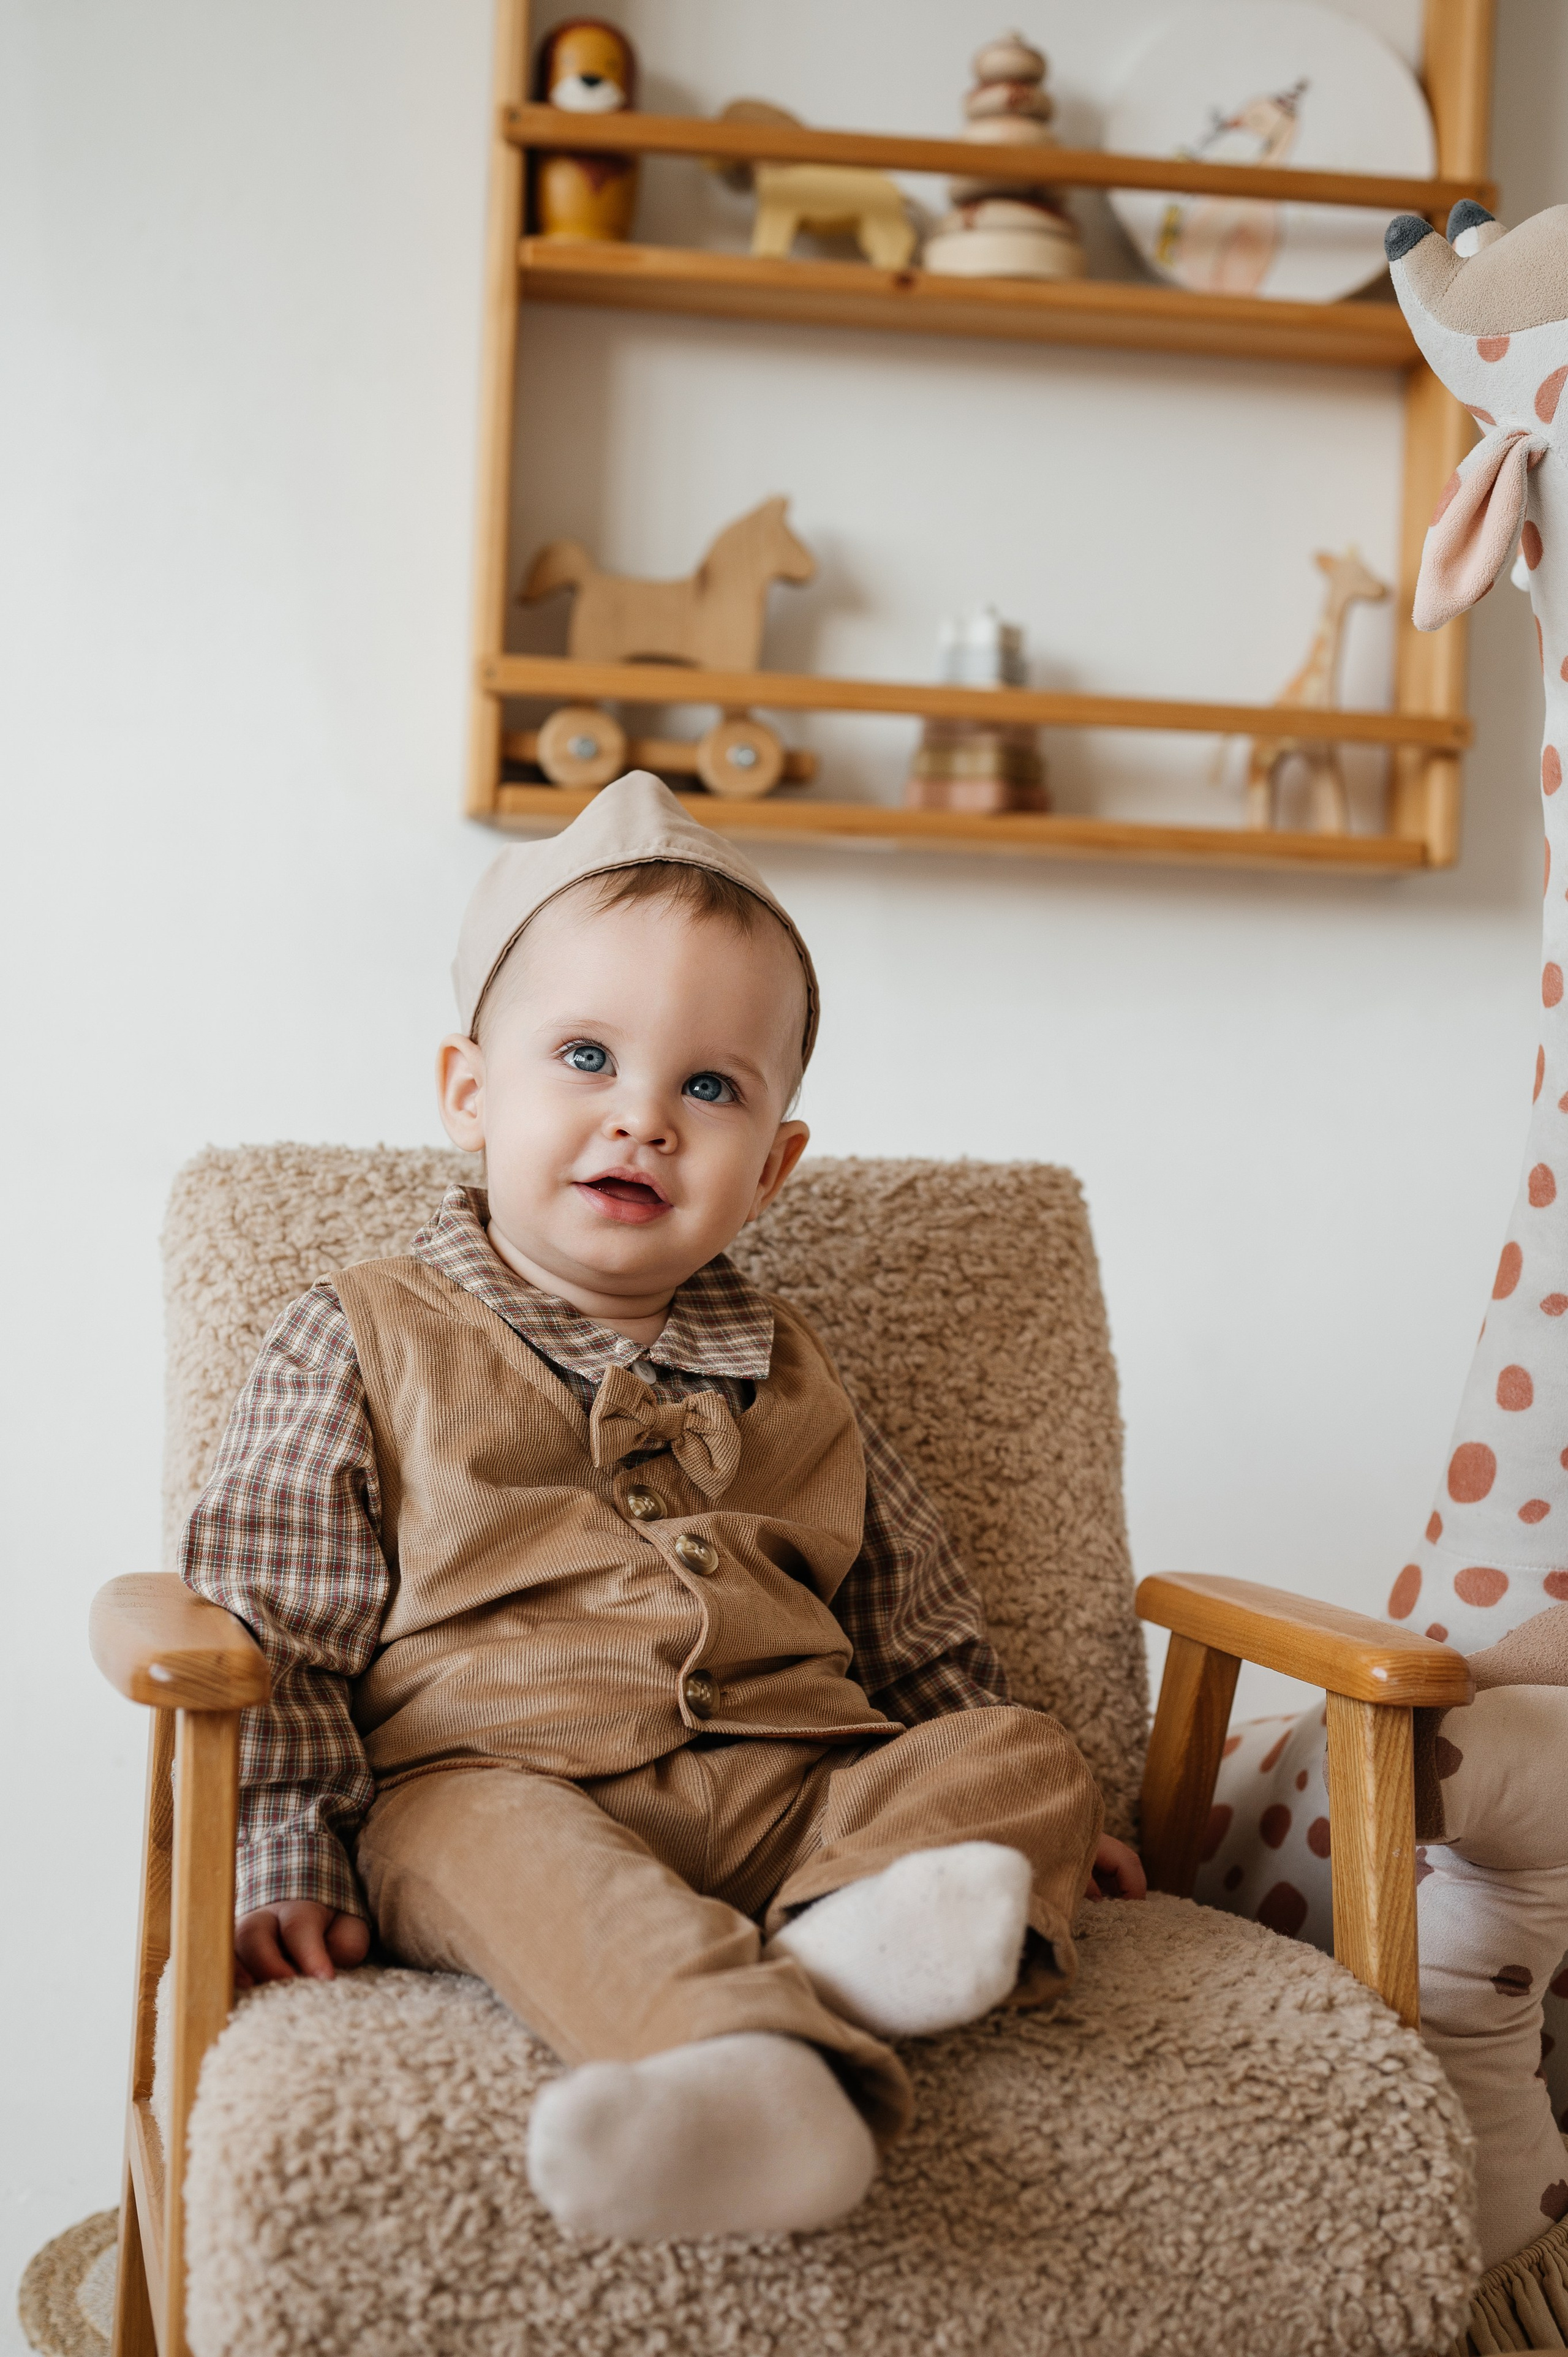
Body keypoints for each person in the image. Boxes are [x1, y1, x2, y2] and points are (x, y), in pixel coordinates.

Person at [182, 770, 1142, 2241]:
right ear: (470, 1092)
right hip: (501, 1778)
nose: (641, 1117)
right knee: (480, 1846)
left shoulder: (799, 1372)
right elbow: (274, 1628)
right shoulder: (358, 1334)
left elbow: (917, 1628)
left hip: (796, 1789)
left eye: (709, 1087)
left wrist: (1028, 1827)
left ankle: (867, 1932)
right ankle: (740, 2064)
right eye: (585, 1056)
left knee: (1022, 1752)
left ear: (771, 1168)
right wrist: (282, 1848)